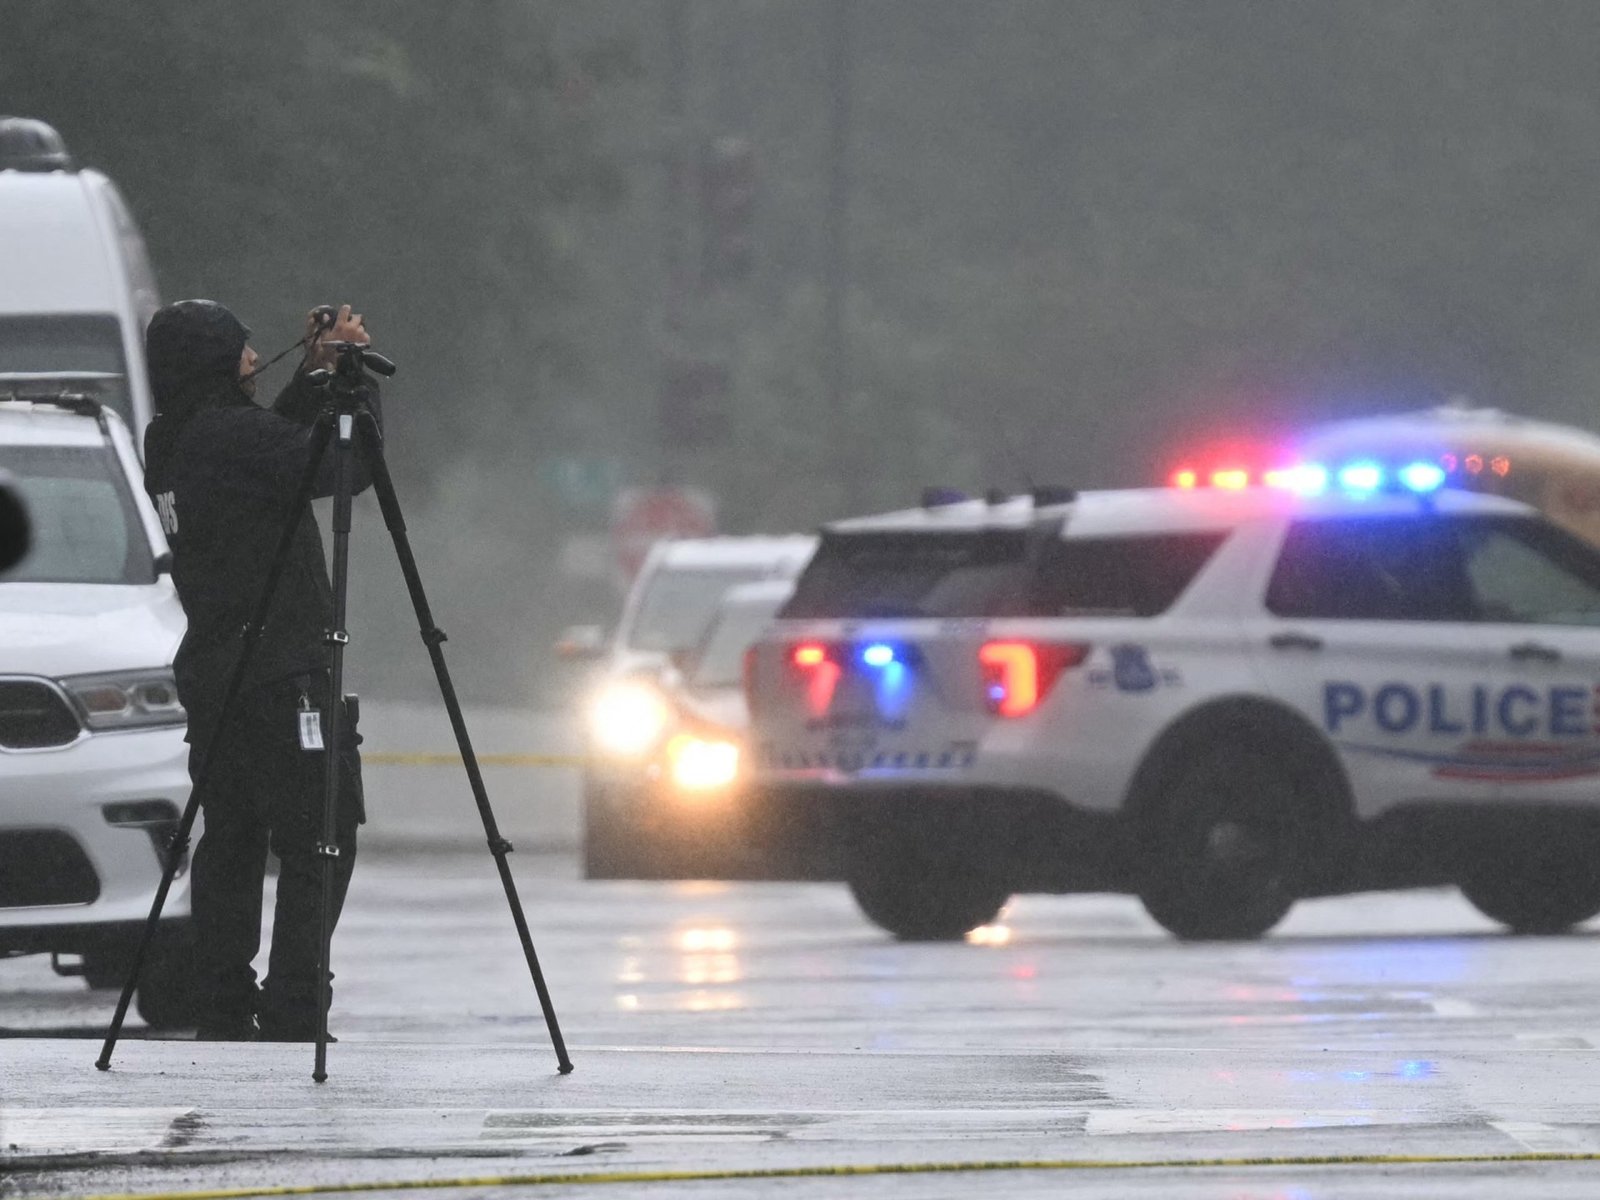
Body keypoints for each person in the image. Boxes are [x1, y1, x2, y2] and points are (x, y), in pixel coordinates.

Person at [143, 299, 377, 1041]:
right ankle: (295, 1002)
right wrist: (355, 381)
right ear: (218, 360)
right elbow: (344, 467)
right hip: (285, 674)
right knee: (322, 832)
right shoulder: (233, 437)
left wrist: (310, 379)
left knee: (235, 836)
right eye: (243, 347)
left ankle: (221, 999)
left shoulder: (172, 438)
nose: (254, 355)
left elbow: (272, 454)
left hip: (219, 675)